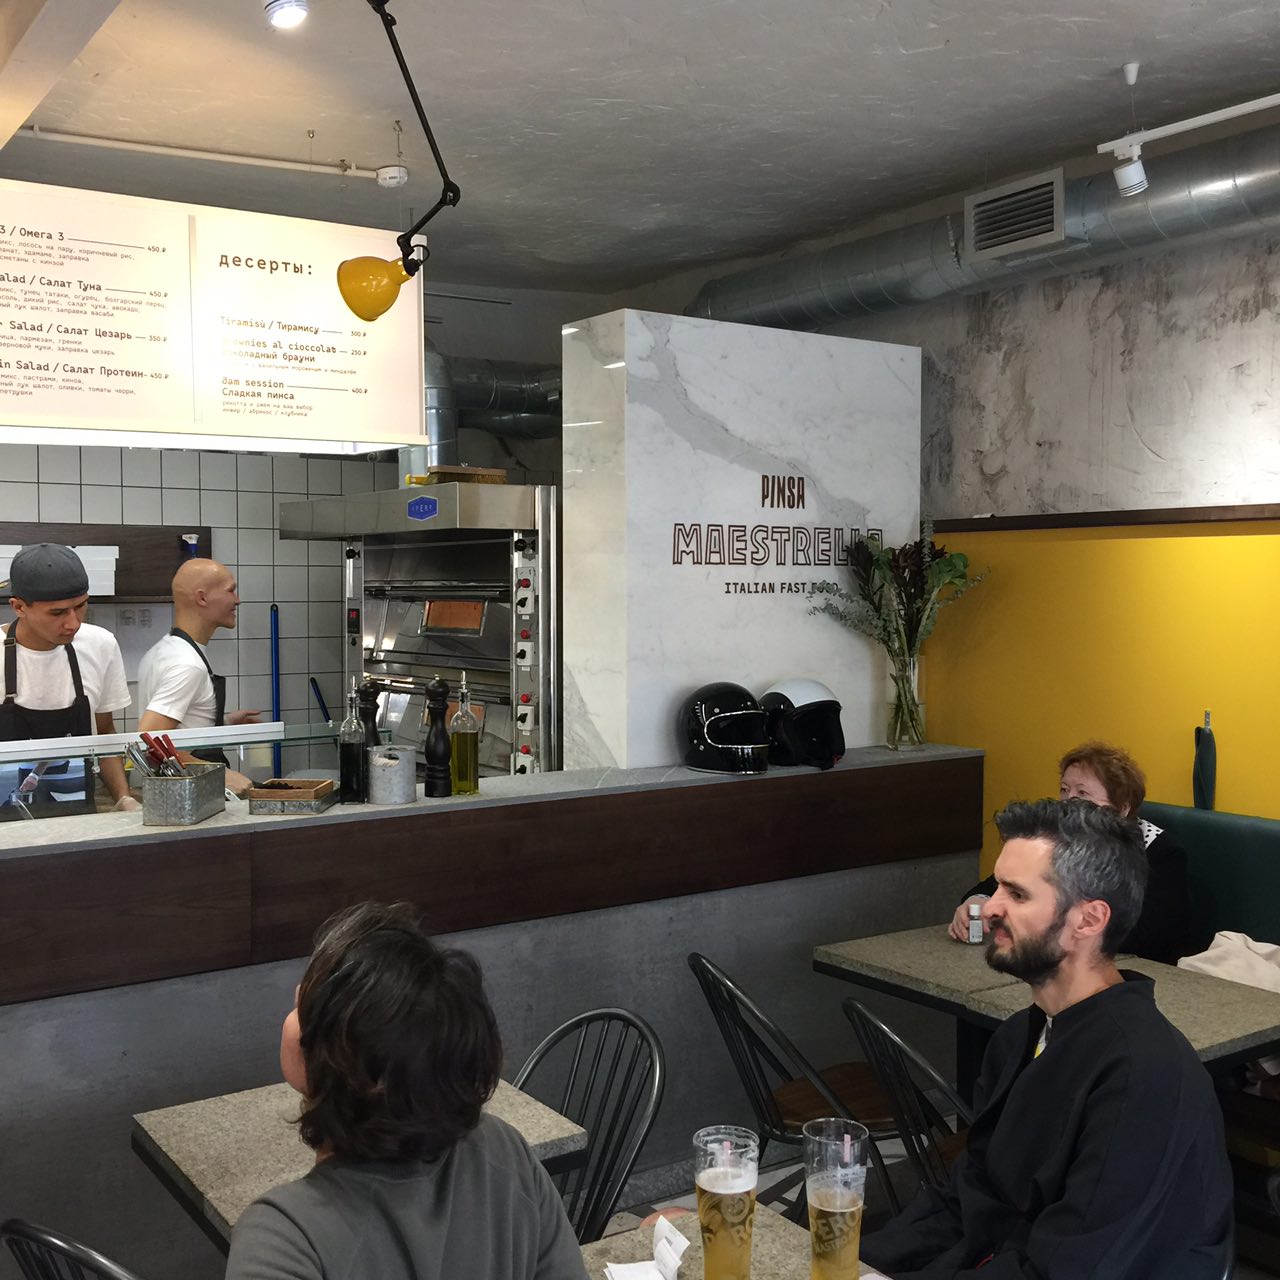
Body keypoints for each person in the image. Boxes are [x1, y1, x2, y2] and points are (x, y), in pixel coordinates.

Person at [864, 798, 1233, 1279]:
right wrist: (853, 1262)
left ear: (1089, 920)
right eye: (997, 886)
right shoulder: (1022, 1035)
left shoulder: (1144, 1077)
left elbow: (1071, 1267)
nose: (990, 907)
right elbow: (969, 1198)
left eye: (1017, 894)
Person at [224, 901, 587, 1280]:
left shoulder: (283, 1240)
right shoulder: (503, 1151)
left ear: (339, 1062)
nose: (298, 993)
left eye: (304, 1002)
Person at [948, 741, 1192, 963]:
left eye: (1082, 793)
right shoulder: (1055, 840)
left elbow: (1149, 935)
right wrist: (977, 902)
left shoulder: (1162, 853)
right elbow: (999, 884)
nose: (1068, 801)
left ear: (1123, 808)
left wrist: (1050, 926)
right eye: (1065, 789)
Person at [0, 543, 138, 818]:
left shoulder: (100, 645)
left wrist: (124, 798)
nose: (73, 623)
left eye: (80, 606)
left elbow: (105, 733)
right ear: (19, 607)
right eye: (57, 612)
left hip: (78, 818)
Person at [137, 558, 259, 795]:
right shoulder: (187, 664)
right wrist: (221, 775)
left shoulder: (164, 650)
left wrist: (223, 722)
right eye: (231, 590)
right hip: (187, 794)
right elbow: (150, 739)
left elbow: (179, 725)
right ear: (202, 598)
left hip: (179, 791)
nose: (237, 600)